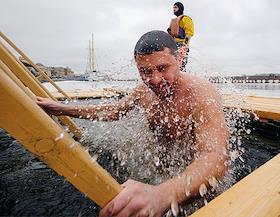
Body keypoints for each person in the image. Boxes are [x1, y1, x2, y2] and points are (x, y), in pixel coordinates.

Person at [37, 30, 228, 217]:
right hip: (161, 173)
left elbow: (215, 156)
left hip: (195, 179)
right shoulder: (143, 92)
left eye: (162, 68)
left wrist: (162, 195)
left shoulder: (202, 93)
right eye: (145, 71)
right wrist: (61, 108)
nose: (154, 80)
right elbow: (113, 111)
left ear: (179, 58)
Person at [167, 2, 195, 72]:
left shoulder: (186, 19)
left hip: (181, 45)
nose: (173, 9)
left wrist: (184, 46)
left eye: (175, 7)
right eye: (173, 8)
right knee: (172, 65)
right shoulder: (173, 21)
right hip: (173, 45)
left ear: (180, 8)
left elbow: (189, 33)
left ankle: (182, 77)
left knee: (181, 66)